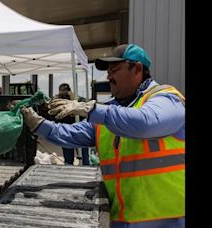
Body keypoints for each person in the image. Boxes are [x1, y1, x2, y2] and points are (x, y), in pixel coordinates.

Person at [20, 44, 185, 227]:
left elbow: (146, 123)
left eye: (114, 69)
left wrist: (90, 109)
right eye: (107, 71)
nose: (108, 76)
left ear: (137, 68)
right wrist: (39, 125)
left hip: (170, 222)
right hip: (122, 220)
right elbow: (75, 134)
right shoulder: (112, 109)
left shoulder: (167, 99)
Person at [54, 83, 76, 165]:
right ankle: (68, 164)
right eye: (61, 90)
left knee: (82, 151)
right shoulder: (58, 100)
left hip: (75, 126)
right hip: (65, 129)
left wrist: (73, 97)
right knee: (68, 154)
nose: (63, 92)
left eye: (64, 90)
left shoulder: (74, 99)